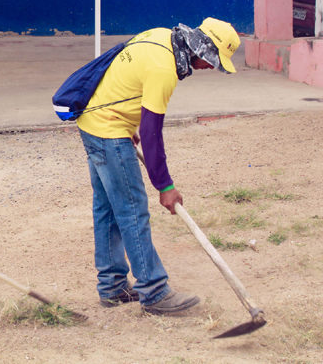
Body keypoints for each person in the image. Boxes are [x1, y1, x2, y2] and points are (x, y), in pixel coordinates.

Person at [76, 17, 240, 315]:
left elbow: (124, 73)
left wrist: (127, 117)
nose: (208, 68)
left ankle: (112, 286)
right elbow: (152, 135)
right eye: (211, 61)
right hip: (108, 130)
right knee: (132, 210)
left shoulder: (162, 35)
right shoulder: (164, 69)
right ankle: (153, 291)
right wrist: (165, 187)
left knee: (109, 208)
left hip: (94, 120)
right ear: (200, 50)